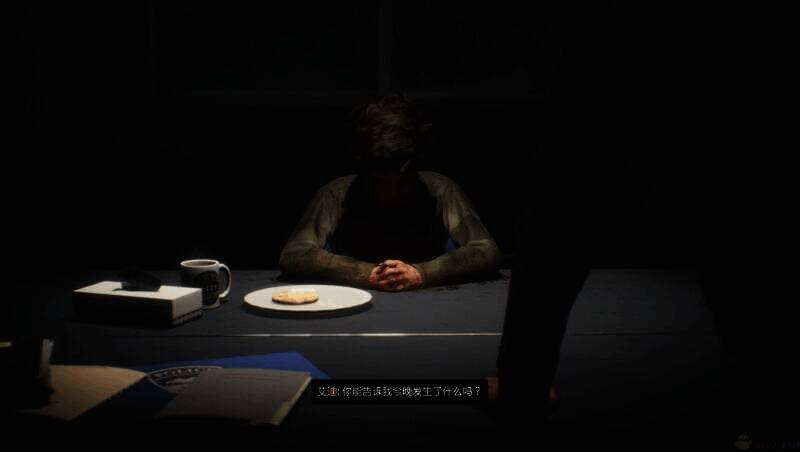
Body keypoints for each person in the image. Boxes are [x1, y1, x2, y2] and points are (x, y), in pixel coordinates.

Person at [279, 94, 501, 291]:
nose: (391, 192)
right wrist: (365, 272)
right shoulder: (336, 194)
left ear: (416, 172)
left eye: (402, 182)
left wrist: (422, 273)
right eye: (379, 182)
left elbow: (486, 250)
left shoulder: (441, 189)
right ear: (365, 172)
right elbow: (295, 254)